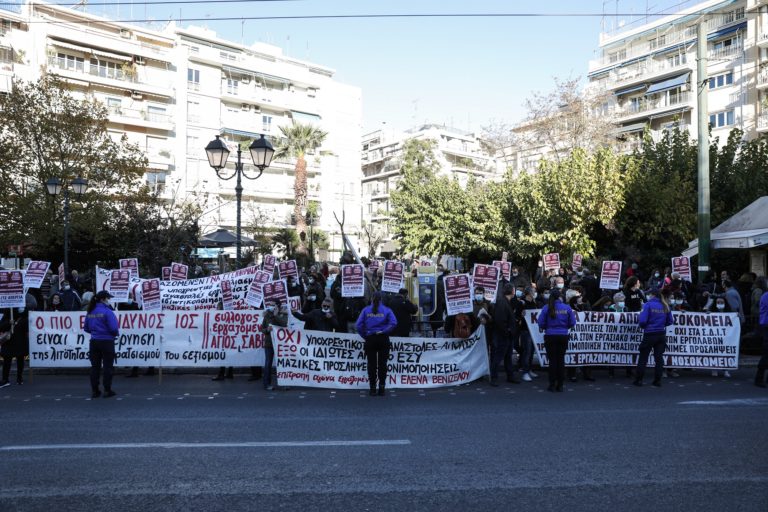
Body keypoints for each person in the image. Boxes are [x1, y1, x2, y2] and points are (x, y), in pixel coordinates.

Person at [355, 291, 397, 396]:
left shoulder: (365, 310)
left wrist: (366, 335)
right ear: (381, 300)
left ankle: (372, 387)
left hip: (370, 338)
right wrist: (384, 331)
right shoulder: (387, 310)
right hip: (383, 338)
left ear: (371, 299)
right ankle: (382, 387)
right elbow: (393, 323)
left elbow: (358, 325)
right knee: (383, 364)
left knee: (371, 364)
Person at [537, 289, 577, 392]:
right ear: (560, 297)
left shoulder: (546, 308)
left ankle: (552, 384)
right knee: (560, 360)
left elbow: (540, 323)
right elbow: (572, 323)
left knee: (553, 361)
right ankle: (560, 385)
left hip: (550, 336)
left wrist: (548, 327)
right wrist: (564, 327)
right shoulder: (567, 308)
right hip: (563, 336)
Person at [633, 288, 673, 388]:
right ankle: (657, 381)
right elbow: (670, 321)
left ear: (652, 295)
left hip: (649, 334)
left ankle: (639, 380)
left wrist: (645, 327)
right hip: (661, 334)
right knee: (659, 358)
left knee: (643, 357)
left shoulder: (647, 305)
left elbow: (642, 321)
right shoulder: (665, 305)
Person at [83, 291, 119, 398]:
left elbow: (86, 328)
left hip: (94, 342)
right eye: (108, 298)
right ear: (103, 299)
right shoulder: (107, 312)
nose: (109, 300)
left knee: (95, 367)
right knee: (108, 367)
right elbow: (113, 328)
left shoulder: (90, 311)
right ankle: (107, 390)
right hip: (107, 341)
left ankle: (95, 391)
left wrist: (96, 333)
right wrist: (114, 334)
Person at [490, 284, 520, 387]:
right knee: (499, 356)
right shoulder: (502, 302)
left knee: (508, 357)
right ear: (511, 291)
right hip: (503, 335)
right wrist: (507, 331)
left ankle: (510, 376)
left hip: (507, 334)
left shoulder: (506, 302)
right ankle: (494, 377)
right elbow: (499, 320)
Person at [260, 300, 288, 391]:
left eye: (273, 305)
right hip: (269, 343)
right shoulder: (267, 315)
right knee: (268, 364)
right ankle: (266, 384)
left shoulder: (283, 314)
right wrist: (267, 330)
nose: (271, 306)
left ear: (278, 306)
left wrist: (276, 315)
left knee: (282, 364)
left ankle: (285, 383)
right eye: (270, 305)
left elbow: (284, 324)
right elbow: (262, 328)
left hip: (280, 344)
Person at [0, 304, 31, 387]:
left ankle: (19, 378)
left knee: (20, 360)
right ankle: (5, 379)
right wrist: (8, 323)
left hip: (20, 341)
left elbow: (27, 328)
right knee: (7, 361)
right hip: (9, 341)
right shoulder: (7, 314)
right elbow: (1, 327)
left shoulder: (24, 315)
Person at [756, 287, 768, 388]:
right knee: (766, 353)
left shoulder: (764, 295)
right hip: (767, 326)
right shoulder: (766, 296)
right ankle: (759, 378)